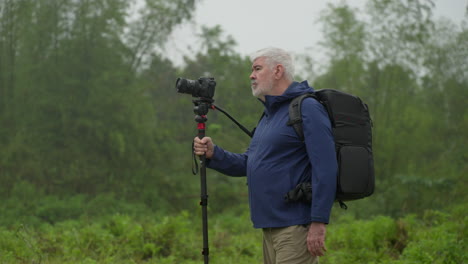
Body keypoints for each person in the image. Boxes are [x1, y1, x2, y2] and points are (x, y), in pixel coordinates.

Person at [193, 47, 337, 264]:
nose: (251, 75)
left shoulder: (307, 108)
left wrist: (319, 222)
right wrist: (215, 154)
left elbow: (326, 167)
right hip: (269, 228)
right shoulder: (269, 116)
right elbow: (249, 163)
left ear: (278, 70)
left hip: (295, 227)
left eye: (257, 69)